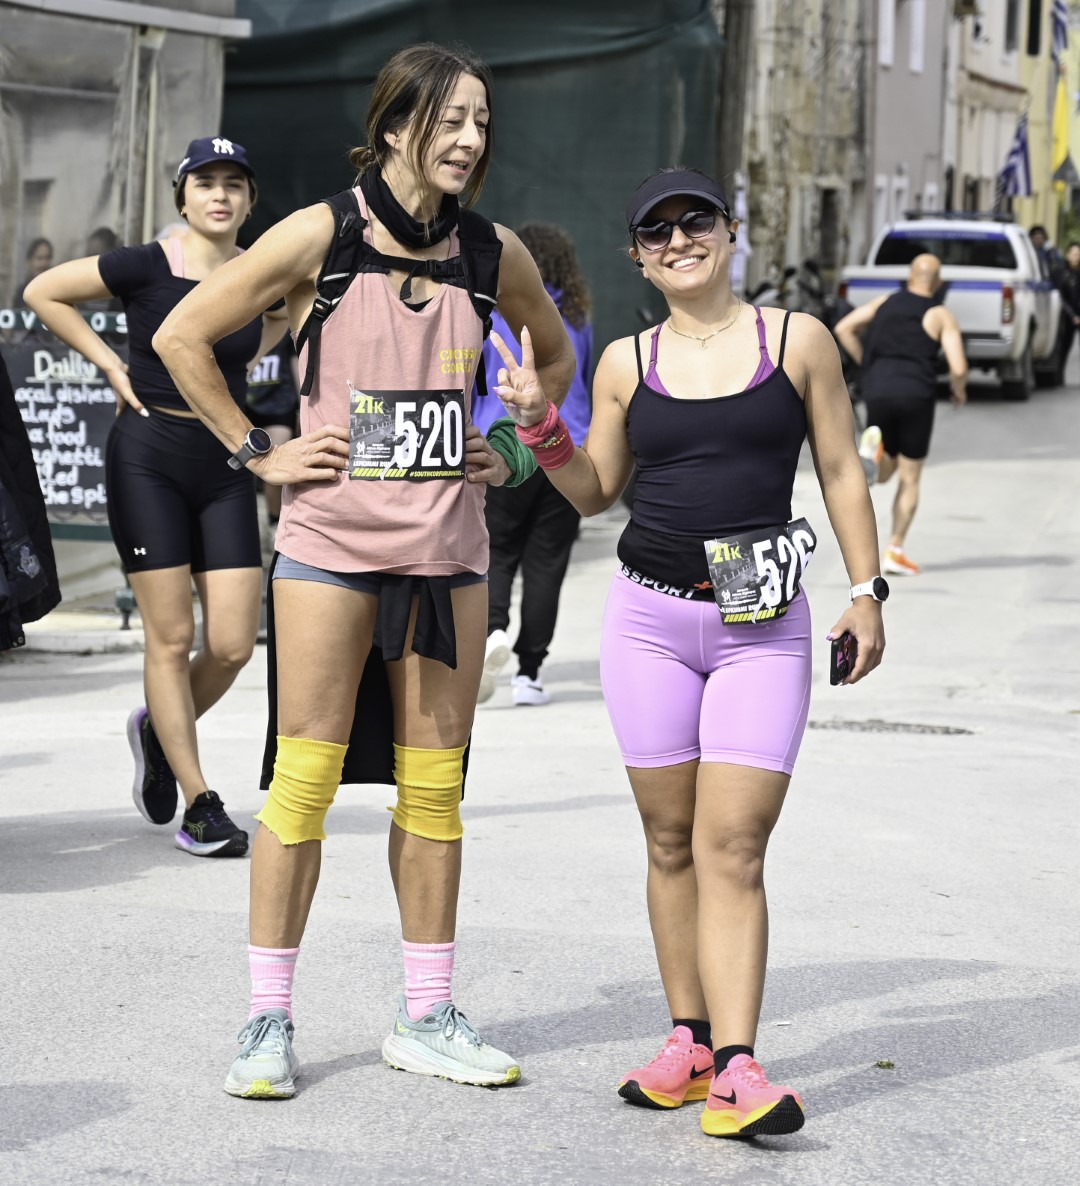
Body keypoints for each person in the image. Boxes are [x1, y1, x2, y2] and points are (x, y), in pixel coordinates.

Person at [152, 42, 575, 1099]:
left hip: (448, 557)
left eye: (482, 121)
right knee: (302, 785)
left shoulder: (491, 251)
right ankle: (267, 1021)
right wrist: (259, 450)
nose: (471, 139)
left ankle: (426, 1013)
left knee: (434, 791)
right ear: (393, 128)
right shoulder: (322, 234)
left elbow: (556, 355)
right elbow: (182, 335)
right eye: (450, 120)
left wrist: (516, 444)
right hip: (330, 553)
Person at [488, 166, 887, 1139]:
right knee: (670, 840)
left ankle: (741, 1066)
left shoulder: (798, 340)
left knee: (733, 844)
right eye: (656, 232)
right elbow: (594, 491)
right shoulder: (626, 362)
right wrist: (540, 425)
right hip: (649, 624)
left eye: (695, 220)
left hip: (762, 629)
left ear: (730, 230)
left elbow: (840, 468)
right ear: (637, 256)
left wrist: (867, 591)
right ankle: (690, 1040)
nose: (679, 241)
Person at [24, 137, 287, 857]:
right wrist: (111, 365)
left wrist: (244, 363)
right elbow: (42, 292)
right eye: (205, 182)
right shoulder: (146, 263)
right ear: (183, 196)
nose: (220, 194)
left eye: (234, 183)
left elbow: (281, 316)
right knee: (170, 639)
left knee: (231, 645)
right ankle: (200, 804)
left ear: (249, 200)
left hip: (226, 460)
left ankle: (156, 731)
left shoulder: (258, 272)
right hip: (147, 458)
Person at [472, 222, 592, 705]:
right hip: (567, 447)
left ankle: (492, 629)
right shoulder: (578, 317)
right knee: (548, 562)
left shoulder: (490, 310)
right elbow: (579, 375)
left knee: (498, 551)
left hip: (504, 442)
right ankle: (530, 673)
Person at [834, 253, 967, 577]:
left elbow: (843, 327)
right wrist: (959, 390)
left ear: (910, 276)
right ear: (937, 282)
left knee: (885, 470)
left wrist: (866, 364)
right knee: (910, 477)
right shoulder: (940, 313)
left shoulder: (884, 302)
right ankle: (895, 550)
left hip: (877, 390)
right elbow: (959, 367)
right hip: (916, 395)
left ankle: (876, 452)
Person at [244, 332, 300, 548]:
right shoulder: (239, 325)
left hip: (278, 405)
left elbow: (296, 364)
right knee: (241, 465)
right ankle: (243, 525)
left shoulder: (284, 328)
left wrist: (303, 406)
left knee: (275, 458)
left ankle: (274, 521)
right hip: (244, 406)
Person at [1053, 240, 1080, 379]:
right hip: (1067, 316)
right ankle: (1059, 374)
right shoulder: (1062, 273)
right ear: (1068, 255)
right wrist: (1072, 315)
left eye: (1078, 254)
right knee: (1064, 346)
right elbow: (1060, 297)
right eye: (1074, 254)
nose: (1076, 257)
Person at [12, 238, 54, 307]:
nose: (44, 263)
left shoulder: (56, 289)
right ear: (29, 262)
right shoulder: (23, 293)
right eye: (39, 258)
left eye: (47, 258)